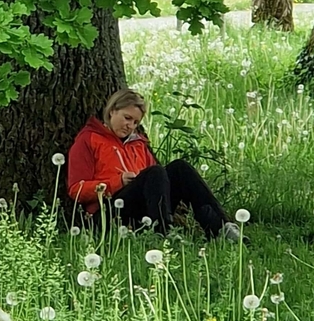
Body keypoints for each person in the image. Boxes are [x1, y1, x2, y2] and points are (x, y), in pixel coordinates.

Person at [66, 88, 241, 241]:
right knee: (154, 172)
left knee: (180, 168)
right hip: (109, 213)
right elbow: (76, 190)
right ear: (112, 111)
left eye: (135, 123)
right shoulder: (89, 139)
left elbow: (158, 182)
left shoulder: (138, 144)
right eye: (127, 118)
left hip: (144, 208)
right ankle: (164, 232)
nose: (130, 126)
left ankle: (221, 227)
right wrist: (117, 182)